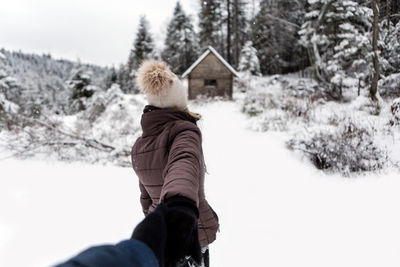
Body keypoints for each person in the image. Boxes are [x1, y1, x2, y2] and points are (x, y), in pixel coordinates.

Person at [131, 59, 219, 267]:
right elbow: (184, 162)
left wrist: (156, 220)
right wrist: (179, 206)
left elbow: (145, 197)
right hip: (188, 231)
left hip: (160, 235)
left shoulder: (139, 144)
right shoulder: (184, 132)